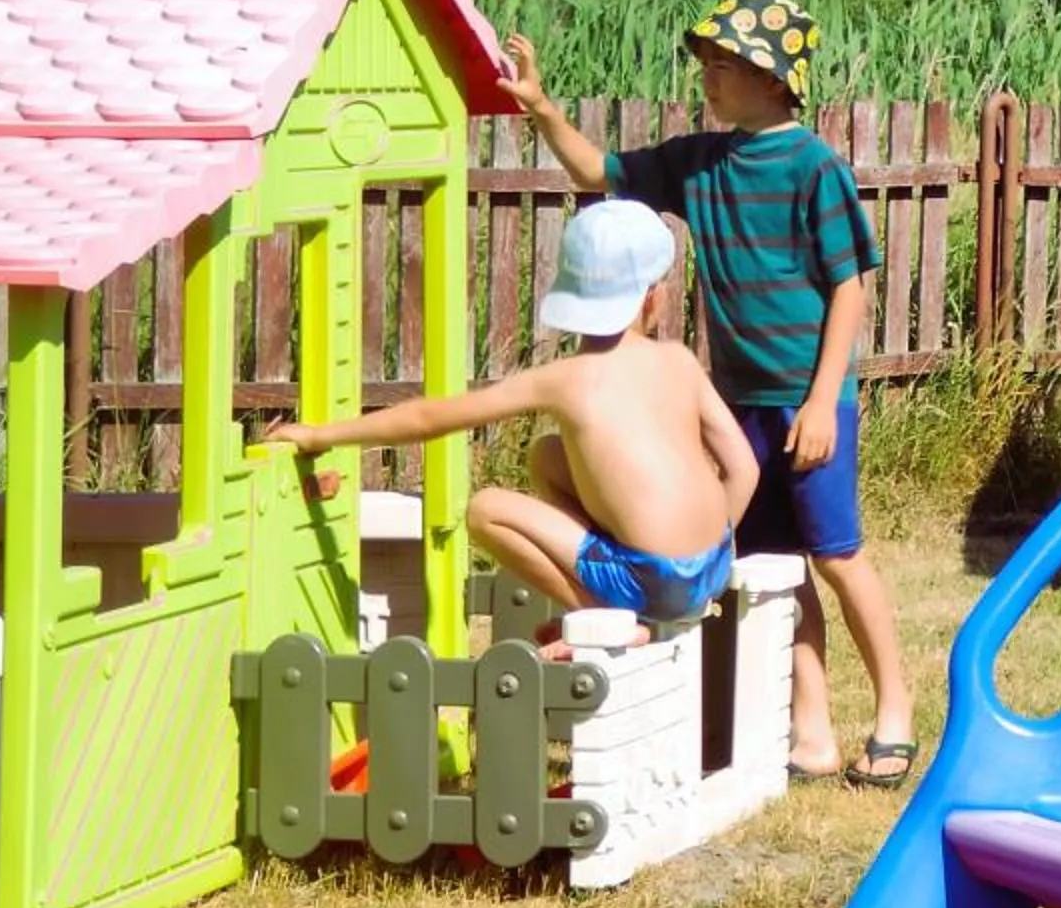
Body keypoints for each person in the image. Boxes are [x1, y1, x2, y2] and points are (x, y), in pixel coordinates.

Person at [503, 0, 920, 788]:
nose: (708, 80)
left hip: (809, 401)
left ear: (772, 78)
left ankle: (894, 710)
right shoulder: (700, 163)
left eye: (723, 66)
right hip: (739, 408)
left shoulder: (815, 170)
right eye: (705, 65)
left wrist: (823, 397)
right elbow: (599, 172)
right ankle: (812, 730)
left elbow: (850, 289)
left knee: (837, 557)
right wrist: (542, 108)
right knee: (769, 567)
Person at [270, 198, 759, 660]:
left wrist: (319, 435)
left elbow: (428, 417)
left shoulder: (564, 379)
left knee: (486, 510)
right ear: (655, 298)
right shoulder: (678, 360)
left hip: (649, 579)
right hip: (711, 567)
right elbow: (743, 467)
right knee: (547, 455)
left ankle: (601, 616)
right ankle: (623, 601)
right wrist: (708, 547)